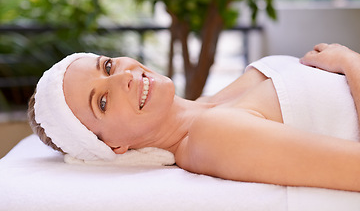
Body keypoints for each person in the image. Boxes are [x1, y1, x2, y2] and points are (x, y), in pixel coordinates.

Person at [28, 43, 360, 192]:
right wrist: (349, 61)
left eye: (108, 66)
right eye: (102, 102)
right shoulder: (212, 135)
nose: (123, 77)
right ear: (113, 146)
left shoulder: (215, 103)